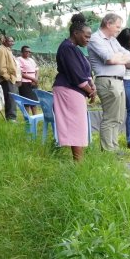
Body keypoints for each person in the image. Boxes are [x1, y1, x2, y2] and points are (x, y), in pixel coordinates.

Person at [53, 13, 97, 162]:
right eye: (86, 36)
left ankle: (78, 161)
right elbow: (76, 74)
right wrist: (90, 91)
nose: (88, 39)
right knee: (76, 125)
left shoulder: (74, 48)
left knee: (78, 125)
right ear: (76, 33)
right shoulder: (67, 48)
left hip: (75, 90)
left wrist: (92, 85)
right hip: (68, 89)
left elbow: (85, 71)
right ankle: (78, 163)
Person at [88, 12, 130, 151]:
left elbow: (128, 55)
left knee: (118, 117)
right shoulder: (96, 39)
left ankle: (114, 146)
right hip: (107, 81)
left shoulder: (112, 40)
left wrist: (118, 57)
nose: (119, 30)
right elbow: (109, 59)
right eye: (117, 27)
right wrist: (117, 58)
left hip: (118, 81)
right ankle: (108, 150)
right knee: (110, 117)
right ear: (108, 23)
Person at [0, 35, 18, 121]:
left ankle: (12, 117)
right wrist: (7, 77)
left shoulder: (7, 49)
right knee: (10, 98)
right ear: (4, 41)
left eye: (12, 41)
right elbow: (1, 66)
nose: (12, 43)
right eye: (10, 41)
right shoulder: (1, 49)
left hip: (11, 78)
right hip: (6, 78)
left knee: (11, 98)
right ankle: (11, 118)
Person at [17, 45, 39, 113]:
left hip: (33, 82)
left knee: (34, 101)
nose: (28, 53)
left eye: (29, 52)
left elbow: (37, 69)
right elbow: (20, 73)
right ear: (22, 52)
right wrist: (32, 79)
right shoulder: (19, 59)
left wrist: (35, 79)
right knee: (26, 102)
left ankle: (35, 117)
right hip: (24, 83)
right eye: (26, 51)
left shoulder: (31, 60)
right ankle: (27, 119)